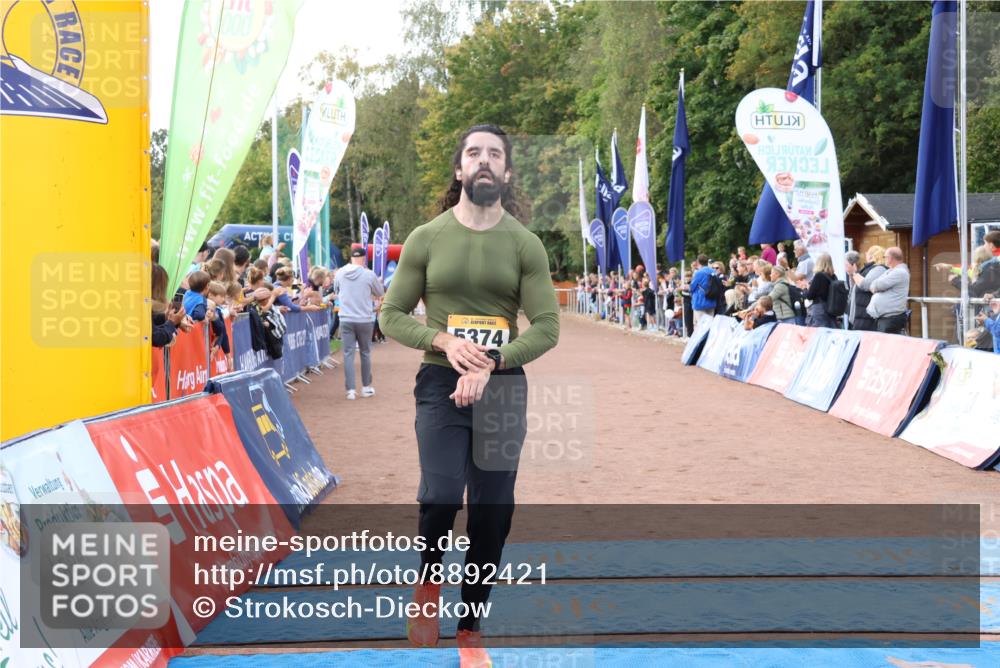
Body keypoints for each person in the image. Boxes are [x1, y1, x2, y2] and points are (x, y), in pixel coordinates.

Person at [379, 124, 559, 668]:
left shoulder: (525, 244)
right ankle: (428, 585)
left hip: (501, 388)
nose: (484, 161)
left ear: (505, 173)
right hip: (439, 382)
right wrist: (442, 339)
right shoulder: (426, 237)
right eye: (474, 153)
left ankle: (470, 626)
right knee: (440, 493)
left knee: (493, 510)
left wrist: (495, 360)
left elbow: (547, 326)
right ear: (459, 169)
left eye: (495, 155)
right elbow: (389, 315)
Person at [334, 247, 386, 400]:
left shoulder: (340, 273)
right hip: (364, 318)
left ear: (351, 258)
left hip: (346, 318)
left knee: (348, 353)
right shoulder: (369, 274)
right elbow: (380, 293)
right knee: (365, 353)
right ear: (364, 258)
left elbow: (337, 290)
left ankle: (350, 390)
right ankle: (366, 387)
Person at [866, 246, 910, 334]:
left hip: (891, 318)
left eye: (885, 257)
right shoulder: (891, 271)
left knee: (887, 346)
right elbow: (872, 285)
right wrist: (875, 286)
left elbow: (877, 285)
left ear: (891, 258)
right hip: (886, 318)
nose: (884, 259)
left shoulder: (899, 272)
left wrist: (875, 286)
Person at [847, 246, 887, 331]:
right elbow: (857, 286)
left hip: (866, 318)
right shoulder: (870, 268)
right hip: (861, 316)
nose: (866, 254)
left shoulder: (879, 268)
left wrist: (853, 273)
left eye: (868, 252)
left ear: (873, 255)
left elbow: (866, 284)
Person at [804, 252, 837, 328]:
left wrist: (805, 289)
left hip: (819, 309)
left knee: (819, 334)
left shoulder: (819, 276)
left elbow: (809, 296)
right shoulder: (833, 276)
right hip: (831, 309)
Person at [689, 255, 717, 325]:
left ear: (698, 262)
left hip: (699, 301)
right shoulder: (714, 271)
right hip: (712, 300)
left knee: (701, 325)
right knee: (710, 324)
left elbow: (692, 287)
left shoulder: (698, 273)